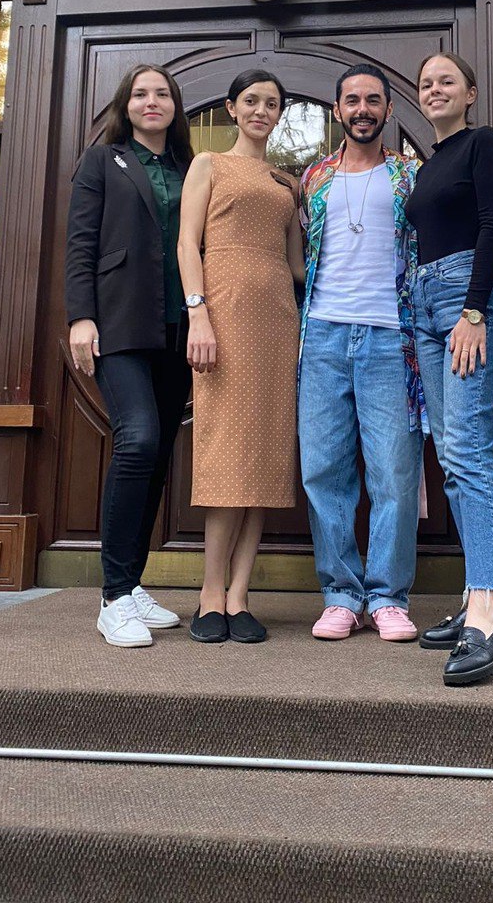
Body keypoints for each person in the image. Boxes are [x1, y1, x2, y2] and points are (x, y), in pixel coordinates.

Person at [66, 63, 193, 649]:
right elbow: (81, 241)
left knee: (159, 452)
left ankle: (133, 583)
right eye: (140, 93)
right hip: (118, 324)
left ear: (175, 106)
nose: (151, 101)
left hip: (177, 329)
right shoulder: (103, 160)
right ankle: (113, 597)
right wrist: (80, 316)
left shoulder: (189, 167)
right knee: (137, 439)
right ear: (127, 104)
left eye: (162, 93)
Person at [298, 65, 424, 642]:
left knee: (394, 471)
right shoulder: (314, 177)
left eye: (374, 100)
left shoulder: (409, 175)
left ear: (389, 110)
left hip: (389, 336)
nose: (363, 109)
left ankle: (388, 597)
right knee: (324, 469)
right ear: (337, 110)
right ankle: (341, 595)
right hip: (323, 335)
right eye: (352, 100)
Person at [178, 70, 304, 644]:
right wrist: (197, 313)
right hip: (223, 314)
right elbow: (187, 242)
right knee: (227, 453)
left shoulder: (287, 182)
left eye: (271, 103)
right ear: (232, 108)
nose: (261, 110)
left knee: (266, 458)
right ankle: (210, 593)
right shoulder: (208, 164)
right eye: (251, 101)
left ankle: (240, 594)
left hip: (278, 320)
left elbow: (298, 265)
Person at [407, 53, 493, 687]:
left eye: (446, 81)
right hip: (426, 304)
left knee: (470, 451)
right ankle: (479, 594)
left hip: (464, 301)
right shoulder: (428, 163)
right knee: (451, 453)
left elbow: (492, 224)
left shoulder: (483, 143)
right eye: (426, 84)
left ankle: (490, 612)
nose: (434, 90)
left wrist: (475, 309)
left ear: (471, 93)